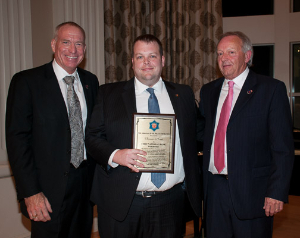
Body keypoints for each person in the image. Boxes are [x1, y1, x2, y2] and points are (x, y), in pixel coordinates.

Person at [86, 34, 202, 238]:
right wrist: (115, 155)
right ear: (132, 62)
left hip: (170, 203)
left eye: (152, 56)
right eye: (140, 57)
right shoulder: (108, 94)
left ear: (163, 60)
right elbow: (92, 137)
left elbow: (198, 134)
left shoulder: (182, 94)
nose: (146, 62)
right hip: (123, 202)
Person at [5, 21, 99, 238]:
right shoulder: (27, 82)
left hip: (84, 188)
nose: (72, 50)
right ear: (53, 44)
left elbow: (95, 132)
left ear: (84, 50)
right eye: (66, 42)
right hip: (46, 191)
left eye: (78, 44)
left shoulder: (90, 82)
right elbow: (17, 141)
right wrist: (30, 192)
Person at [199, 31, 294, 238]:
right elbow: (201, 133)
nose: (224, 58)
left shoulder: (271, 89)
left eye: (231, 52)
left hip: (254, 191)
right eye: (220, 53)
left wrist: (276, 192)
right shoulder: (208, 92)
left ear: (247, 56)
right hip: (214, 190)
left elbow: (282, 148)